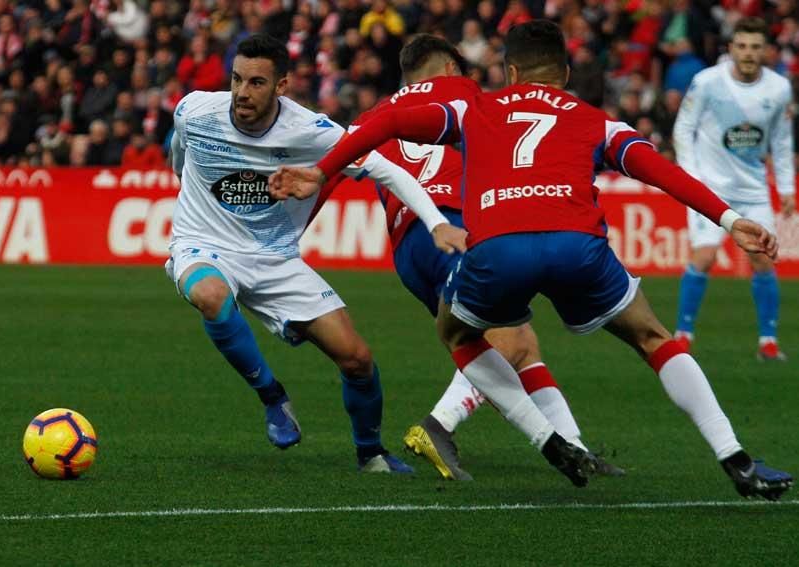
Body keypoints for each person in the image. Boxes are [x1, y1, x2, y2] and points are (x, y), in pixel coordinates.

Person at [270, 21, 793, 499]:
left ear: (510, 72)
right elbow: (658, 169)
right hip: (577, 244)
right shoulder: (594, 120)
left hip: (496, 247)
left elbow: (387, 124)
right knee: (654, 338)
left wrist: (322, 170)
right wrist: (729, 219)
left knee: (458, 334)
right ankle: (736, 457)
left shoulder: (471, 109)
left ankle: (547, 439)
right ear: (565, 73)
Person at [313, 34, 623, 481]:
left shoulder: (373, 117)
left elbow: (331, 171)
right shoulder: (468, 95)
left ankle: (575, 447)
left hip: (410, 251)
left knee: (515, 341)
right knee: (508, 339)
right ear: (454, 69)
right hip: (456, 228)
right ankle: (438, 425)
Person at [166, 34, 466, 473]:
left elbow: (390, 172)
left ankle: (371, 453)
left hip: (276, 259)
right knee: (212, 297)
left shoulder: (311, 131)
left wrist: (437, 222)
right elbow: (178, 150)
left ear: (281, 86)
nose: (241, 94)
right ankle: (273, 397)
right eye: (236, 80)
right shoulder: (196, 110)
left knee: (357, 358)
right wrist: (182, 184)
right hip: (202, 243)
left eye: (256, 83)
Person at [672, 17, 795, 361]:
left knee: (763, 260)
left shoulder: (779, 88)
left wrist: (785, 187)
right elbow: (683, 129)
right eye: (742, 46)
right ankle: (682, 337)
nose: (748, 53)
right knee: (705, 256)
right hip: (709, 189)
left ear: (766, 51)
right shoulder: (708, 82)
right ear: (730, 49)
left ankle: (768, 343)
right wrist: (691, 179)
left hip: (754, 190)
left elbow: (782, 143)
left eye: (755, 47)